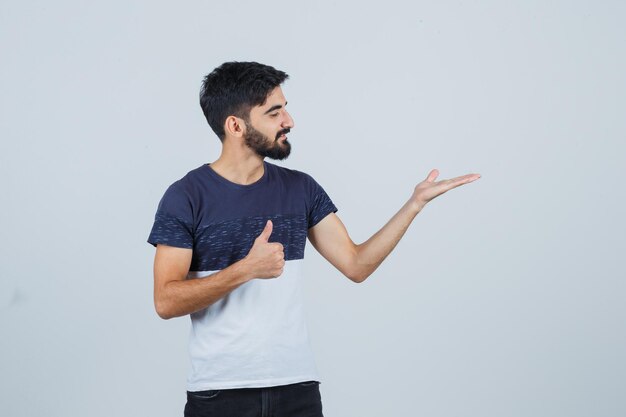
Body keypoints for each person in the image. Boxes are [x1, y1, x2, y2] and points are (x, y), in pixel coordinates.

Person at [147, 61, 480, 417]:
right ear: (235, 126)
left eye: (285, 109)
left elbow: (356, 265)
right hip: (219, 394)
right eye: (274, 112)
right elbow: (166, 301)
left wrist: (413, 205)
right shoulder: (186, 196)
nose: (289, 121)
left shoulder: (300, 189)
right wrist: (245, 270)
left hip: (297, 390)